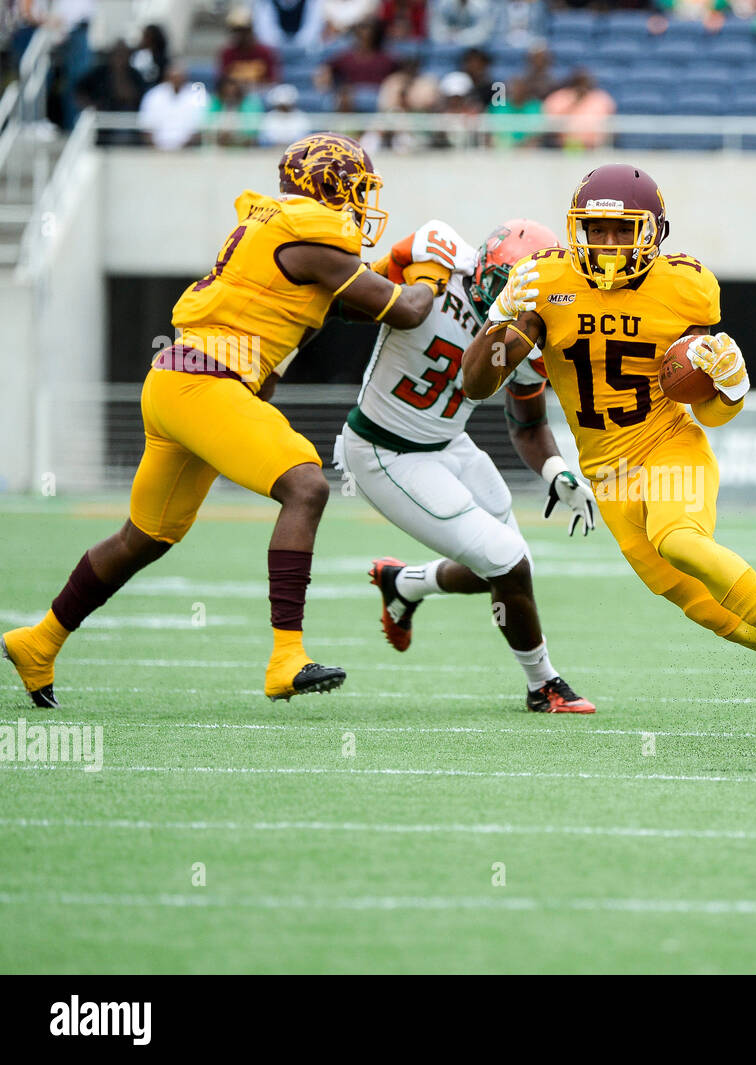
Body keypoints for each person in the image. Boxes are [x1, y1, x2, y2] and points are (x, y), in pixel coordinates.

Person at [2, 134, 439, 707]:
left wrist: (395, 269)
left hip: (176, 380)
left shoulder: (285, 232)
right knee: (305, 485)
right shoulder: (314, 237)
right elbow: (405, 310)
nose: (360, 203)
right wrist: (433, 272)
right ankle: (287, 656)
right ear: (329, 186)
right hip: (205, 383)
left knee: (146, 537)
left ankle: (40, 640)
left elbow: (344, 299)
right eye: (356, 189)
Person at [460, 164, 756, 679]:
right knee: (713, 613)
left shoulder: (687, 288)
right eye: (597, 230)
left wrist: (731, 388)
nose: (610, 242)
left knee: (680, 539)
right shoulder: (545, 283)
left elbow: (709, 412)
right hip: (607, 475)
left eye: (624, 229)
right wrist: (496, 321)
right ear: (579, 231)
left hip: (668, 444)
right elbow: (477, 385)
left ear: (654, 232)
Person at [338, 217, 597, 713]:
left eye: (519, 293)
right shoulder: (434, 266)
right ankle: (543, 686)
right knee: (507, 562)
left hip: (448, 445)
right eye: (502, 285)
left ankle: (404, 583)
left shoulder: (524, 333)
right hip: (383, 449)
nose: (507, 301)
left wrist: (557, 472)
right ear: (479, 267)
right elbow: (350, 296)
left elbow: (527, 425)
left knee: (509, 565)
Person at [139, 62, 209, 150]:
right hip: (157, 152)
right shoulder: (153, 95)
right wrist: (156, 151)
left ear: (186, 77)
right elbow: (146, 129)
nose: (177, 80)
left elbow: (203, 127)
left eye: (180, 77)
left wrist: (183, 149)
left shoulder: (198, 94)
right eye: (173, 77)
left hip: (190, 152)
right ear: (167, 77)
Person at [542, 70, 616, 151]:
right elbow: (550, 124)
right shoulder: (559, 98)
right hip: (561, 145)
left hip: (591, 146)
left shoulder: (600, 99)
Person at [220, 5, 280, 88]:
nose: (240, 35)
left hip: (261, 95)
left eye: (244, 31)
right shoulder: (228, 53)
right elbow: (223, 82)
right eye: (236, 31)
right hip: (236, 98)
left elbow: (273, 81)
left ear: (251, 30)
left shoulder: (265, 52)